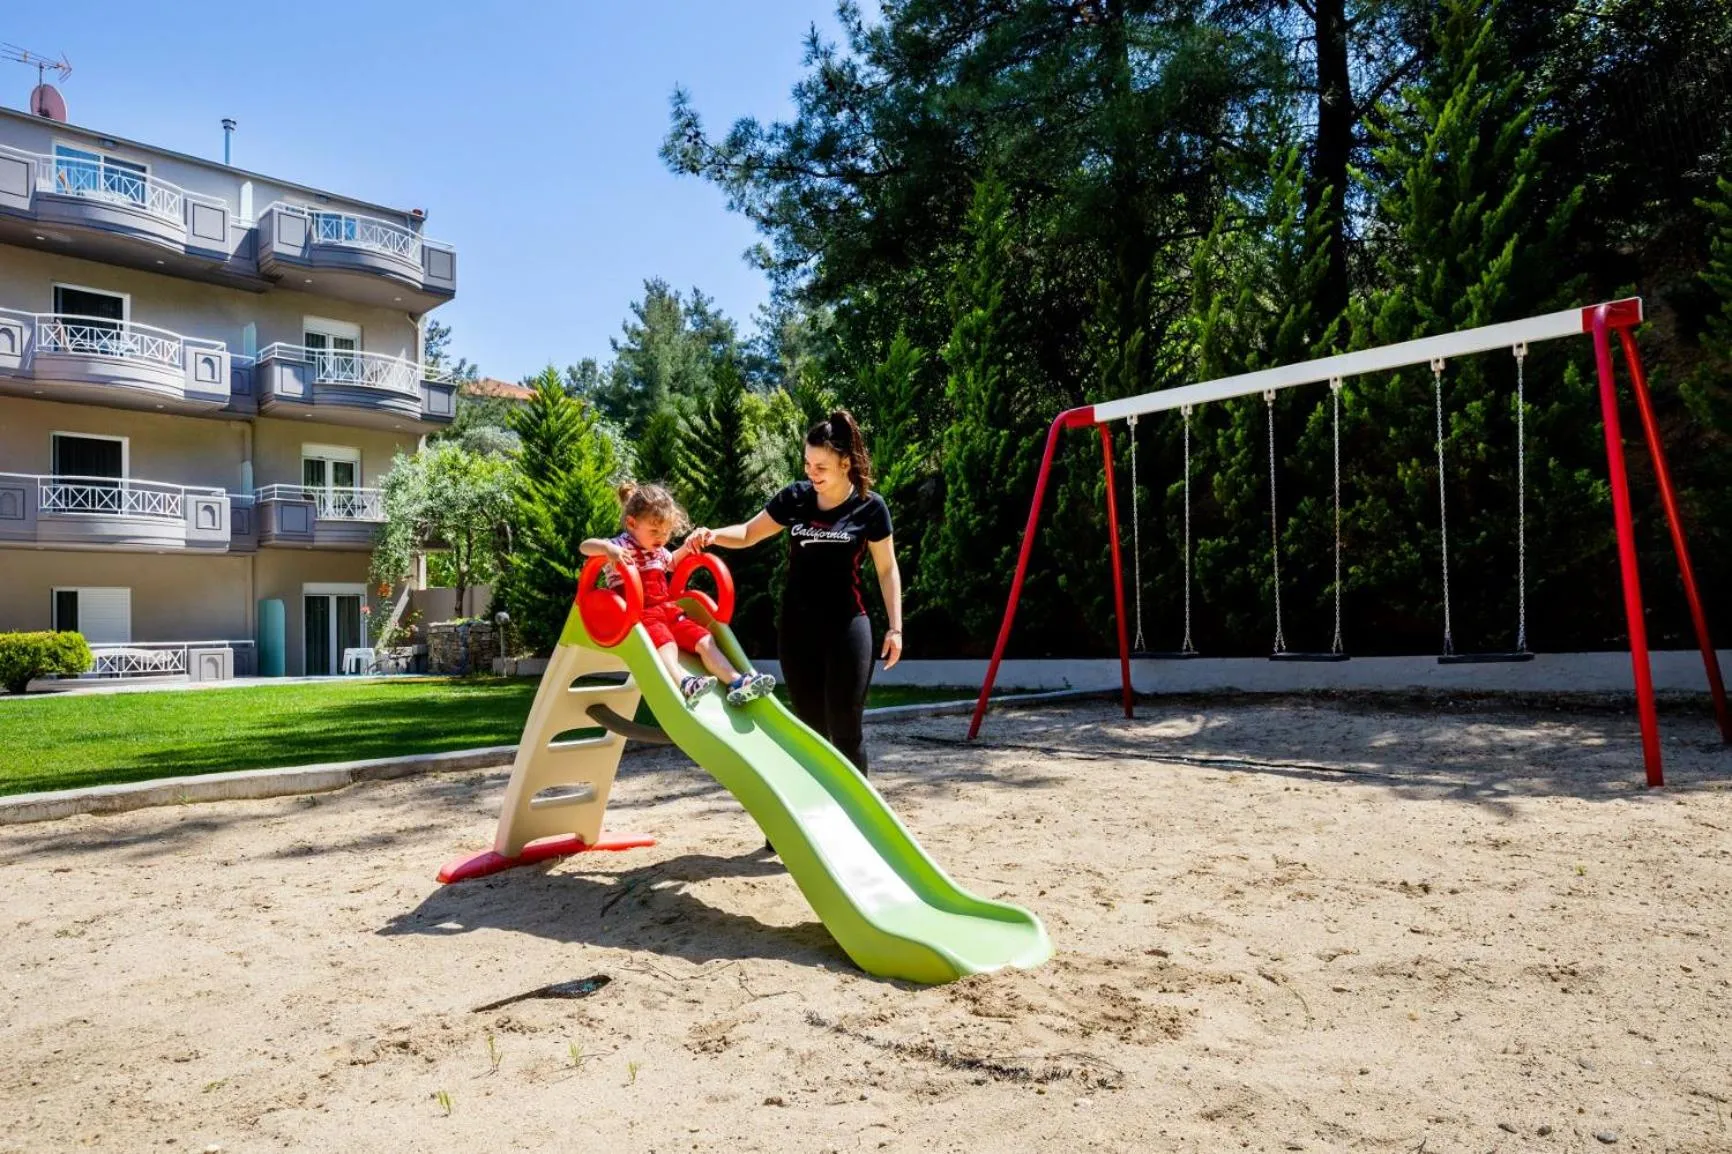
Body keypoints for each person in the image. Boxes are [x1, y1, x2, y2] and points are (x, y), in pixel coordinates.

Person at [691, 410, 903, 774]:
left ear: (845, 463)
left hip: (847, 626)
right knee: (810, 729)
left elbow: (887, 568)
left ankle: (855, 821)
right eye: (807, 463)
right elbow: (748, 533)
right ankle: (801, 825)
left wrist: (895, 628)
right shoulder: (795, 498)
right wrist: (712, 535)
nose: (811, 472)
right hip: (797, 629)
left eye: (820, 466)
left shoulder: (870, 507)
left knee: (846, 728)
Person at [581, 483, 775, 707]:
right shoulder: (620, 546)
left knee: (705, 639)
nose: (661, 538)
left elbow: (672, 562)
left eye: (665, 532)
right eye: (654, 531)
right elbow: (585, 547)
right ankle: (684, 682)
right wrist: (607, 549)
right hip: (641, 616)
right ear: (632, 523)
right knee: (667, 644)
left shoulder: (658, 551)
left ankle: (736, 682)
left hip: (668, 610)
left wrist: (687, 546)